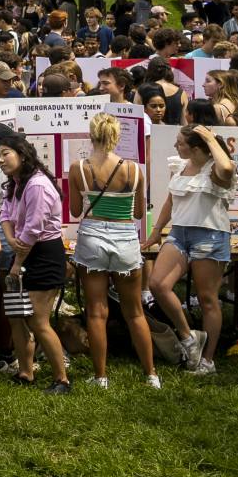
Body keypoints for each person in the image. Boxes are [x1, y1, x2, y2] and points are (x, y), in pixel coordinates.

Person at [68, 112, 158, 389]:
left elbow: (74, 210)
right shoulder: (133, 169)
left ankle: (101, 376)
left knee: (96, 311)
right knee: (135, 312)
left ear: (91, 135)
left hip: (92, 237)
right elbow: (140, 212)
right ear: (117, 136)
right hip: (125, 238)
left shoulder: (78, 168)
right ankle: (151, 374)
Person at [146, 122, 235, 375]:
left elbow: (227, 167)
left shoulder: (217, 169)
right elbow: (171, 200)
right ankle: (188, 338)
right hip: (179, 233)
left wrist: (210, 138)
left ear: (197, 147)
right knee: (158, 284)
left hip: (211, 235)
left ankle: (207, 361)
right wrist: (155, 233)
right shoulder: (181, 165)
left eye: (181, 142)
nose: (175, 145)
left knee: (207, 299)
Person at [0, 130, 70, 393]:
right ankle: (26, 372)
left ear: (22, 155)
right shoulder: (15, 182)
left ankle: (62, 379)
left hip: (43, 253)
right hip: (22, 249)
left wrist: (16, 259)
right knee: (16, 314)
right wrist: (11, 240)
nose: (0, 160)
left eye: (6, 154)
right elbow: (4, 213)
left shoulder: (36, 184)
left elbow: (34, 229)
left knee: (38, 320)